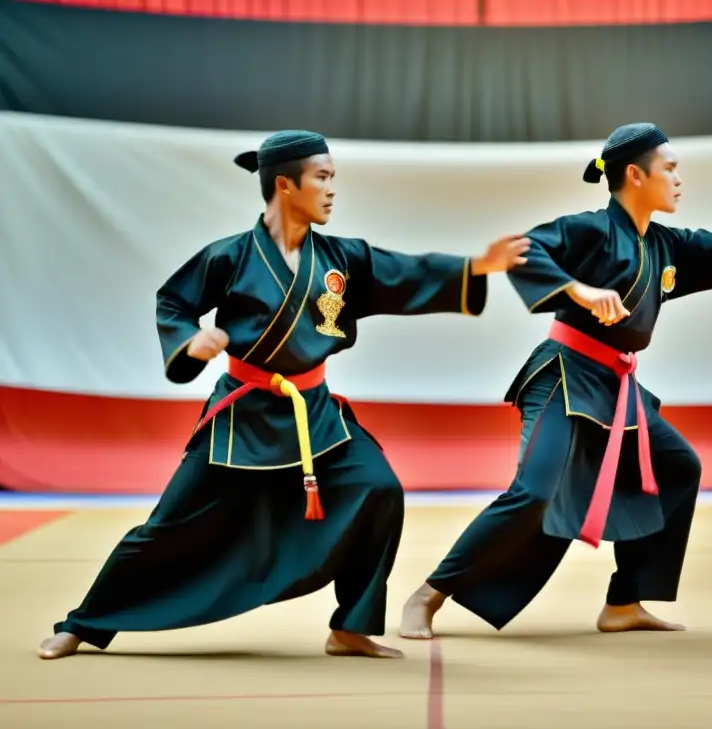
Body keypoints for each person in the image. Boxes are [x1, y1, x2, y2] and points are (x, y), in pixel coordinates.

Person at [38, 129, 528, 661]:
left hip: (314, 416)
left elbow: (404, 273)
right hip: (242, 417)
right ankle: (84, 624)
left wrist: (475, 268)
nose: (332, 189)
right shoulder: (230, 257)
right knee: (166, 527)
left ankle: (351, 627)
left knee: (379, 488)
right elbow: (173, 304)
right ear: (284, 185)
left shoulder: (340, 258)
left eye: (333, 177)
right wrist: (190, 342)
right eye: (322, 177)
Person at [400, 122, 712, 639]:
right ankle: (427, 596)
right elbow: (524, 250)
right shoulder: (589, 230)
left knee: (678, 467)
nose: (678, 178)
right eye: (669, 168)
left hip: (616, 387)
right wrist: (579, 291)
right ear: (635, 174)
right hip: (565, 376)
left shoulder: (663, 246)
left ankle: (625, 601)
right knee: (536, 491)